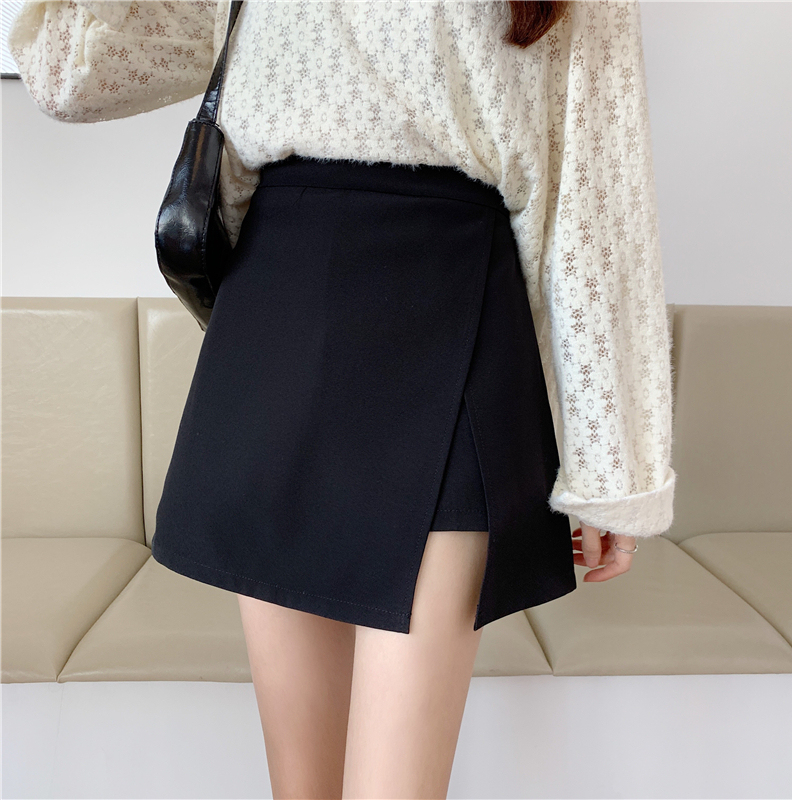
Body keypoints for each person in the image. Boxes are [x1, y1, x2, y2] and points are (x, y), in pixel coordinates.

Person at [9, 1, 676, 797]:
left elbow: (597, 192)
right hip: (277, 322)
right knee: (303, 789)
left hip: (447, 318)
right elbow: (67, 71)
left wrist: (614, 469)